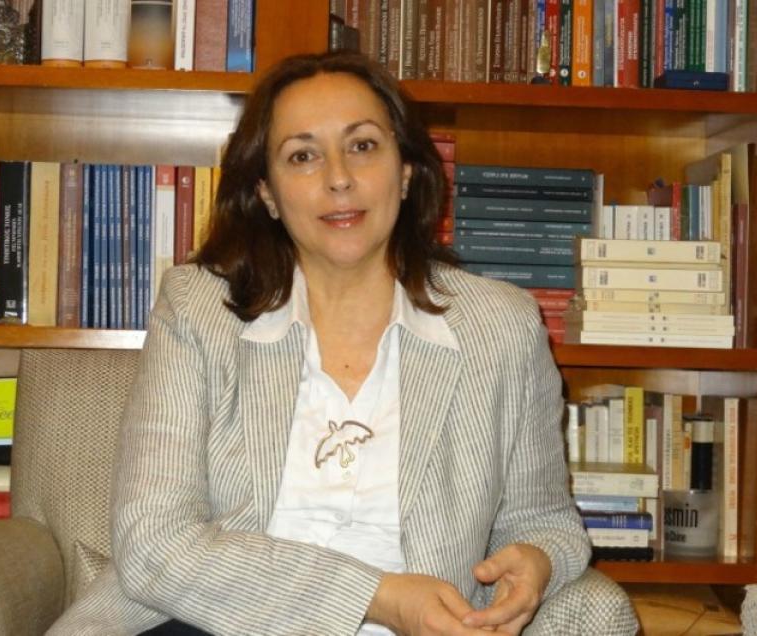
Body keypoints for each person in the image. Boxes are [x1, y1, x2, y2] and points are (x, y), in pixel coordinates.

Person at [50, 51, 591, 636]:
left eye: (362, 145)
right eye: (302, 156)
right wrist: (377, 597)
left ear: (406, 172)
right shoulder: (200, 310)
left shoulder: (501, 326)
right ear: (267, 193)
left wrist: (537, 561)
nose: (339, 178)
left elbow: (545, 521)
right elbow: (153, 542)